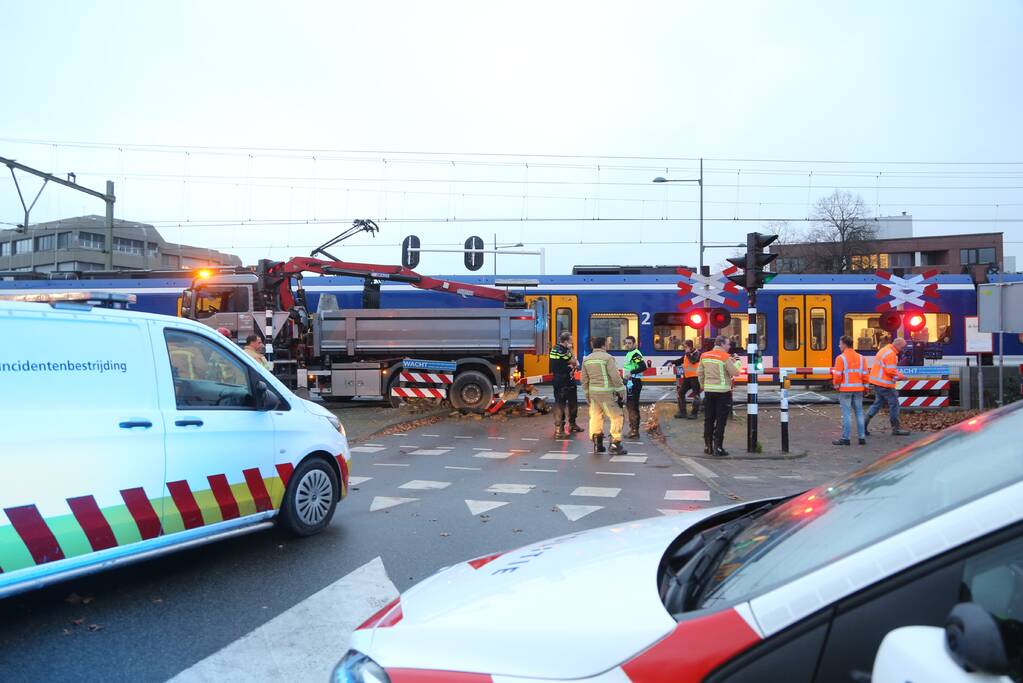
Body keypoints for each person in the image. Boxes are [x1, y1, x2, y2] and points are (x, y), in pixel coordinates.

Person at [581, 336, 628, 455]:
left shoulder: (587, 359)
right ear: (603, 345)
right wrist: (622, 391)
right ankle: (615, 444)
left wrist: (587, 394)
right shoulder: (607, 358)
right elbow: (615, 376)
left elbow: (584, 380)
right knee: (617, 416)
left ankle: (598, 445)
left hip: (593, 393)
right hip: (606, 393)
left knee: (596, 417)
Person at [698, 335, 742, 457]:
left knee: (708, 419)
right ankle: (718, 448)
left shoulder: (704, 355)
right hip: (723, 393)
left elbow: (700, 373)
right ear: (722, 344)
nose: (729, 347)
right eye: (728, 344)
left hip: (709, 391)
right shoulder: (725, 357)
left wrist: (704, 385)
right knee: (721, 420)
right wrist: (738, 362)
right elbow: (735, 373)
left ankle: (708, 447)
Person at [865, 337, 909, 436]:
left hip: (877, 383)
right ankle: (896, 428)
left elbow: (888, 369)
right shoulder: (891, 354)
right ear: (897, 345)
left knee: (877, 404)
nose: (902, 349)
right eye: (902, 347)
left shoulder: (884, 350)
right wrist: (902, 376)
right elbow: (890, 371)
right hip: (886, 385)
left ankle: (863, 424)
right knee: (894, 404)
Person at [831, 335, 868, 446]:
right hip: (858, 389)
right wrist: (865, 387)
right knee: (859, 413)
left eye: (840, 343)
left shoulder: (840, 358)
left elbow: (837, 375)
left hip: (845, 390)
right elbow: (865, 375)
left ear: (845, 345)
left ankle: (846, 438)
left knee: (847, 414)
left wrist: (836, 385)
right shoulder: (861, 358)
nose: (839, 345)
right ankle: (862, 437)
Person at [549, 331, 582, 439]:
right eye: (571, 341)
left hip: (561, 379)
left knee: (565, 402)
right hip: (564, 379)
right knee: (562, 404)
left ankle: (569, 425)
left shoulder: (554, 349)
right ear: (566, 341)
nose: (572, 342)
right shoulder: (563, 351)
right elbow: (574, 362)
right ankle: (560, 429)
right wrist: (571, 349)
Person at [668, 339, 701, 420]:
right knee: (681, 393)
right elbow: (680, 360)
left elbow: (693, 360)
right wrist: (671, 362)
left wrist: (687, 353)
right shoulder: (687, 354)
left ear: (690, 346)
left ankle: (694, 413)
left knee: (696, 395)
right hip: (687, 377)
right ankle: (683, 412)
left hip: (695, 378)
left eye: (685, 346)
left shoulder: (697, 353)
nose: (684, 348)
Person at [622, 335, 645, 439]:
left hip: (634, 382)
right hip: (631, 382)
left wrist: (631, 372)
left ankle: (634, 431)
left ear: (634, 344)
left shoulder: (635, 354)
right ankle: (633, 429)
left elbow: (643, 366)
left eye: (629, 343)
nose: (627, 345)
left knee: (632, 406)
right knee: (630, 406)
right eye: (626, 343)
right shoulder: (630, 353)